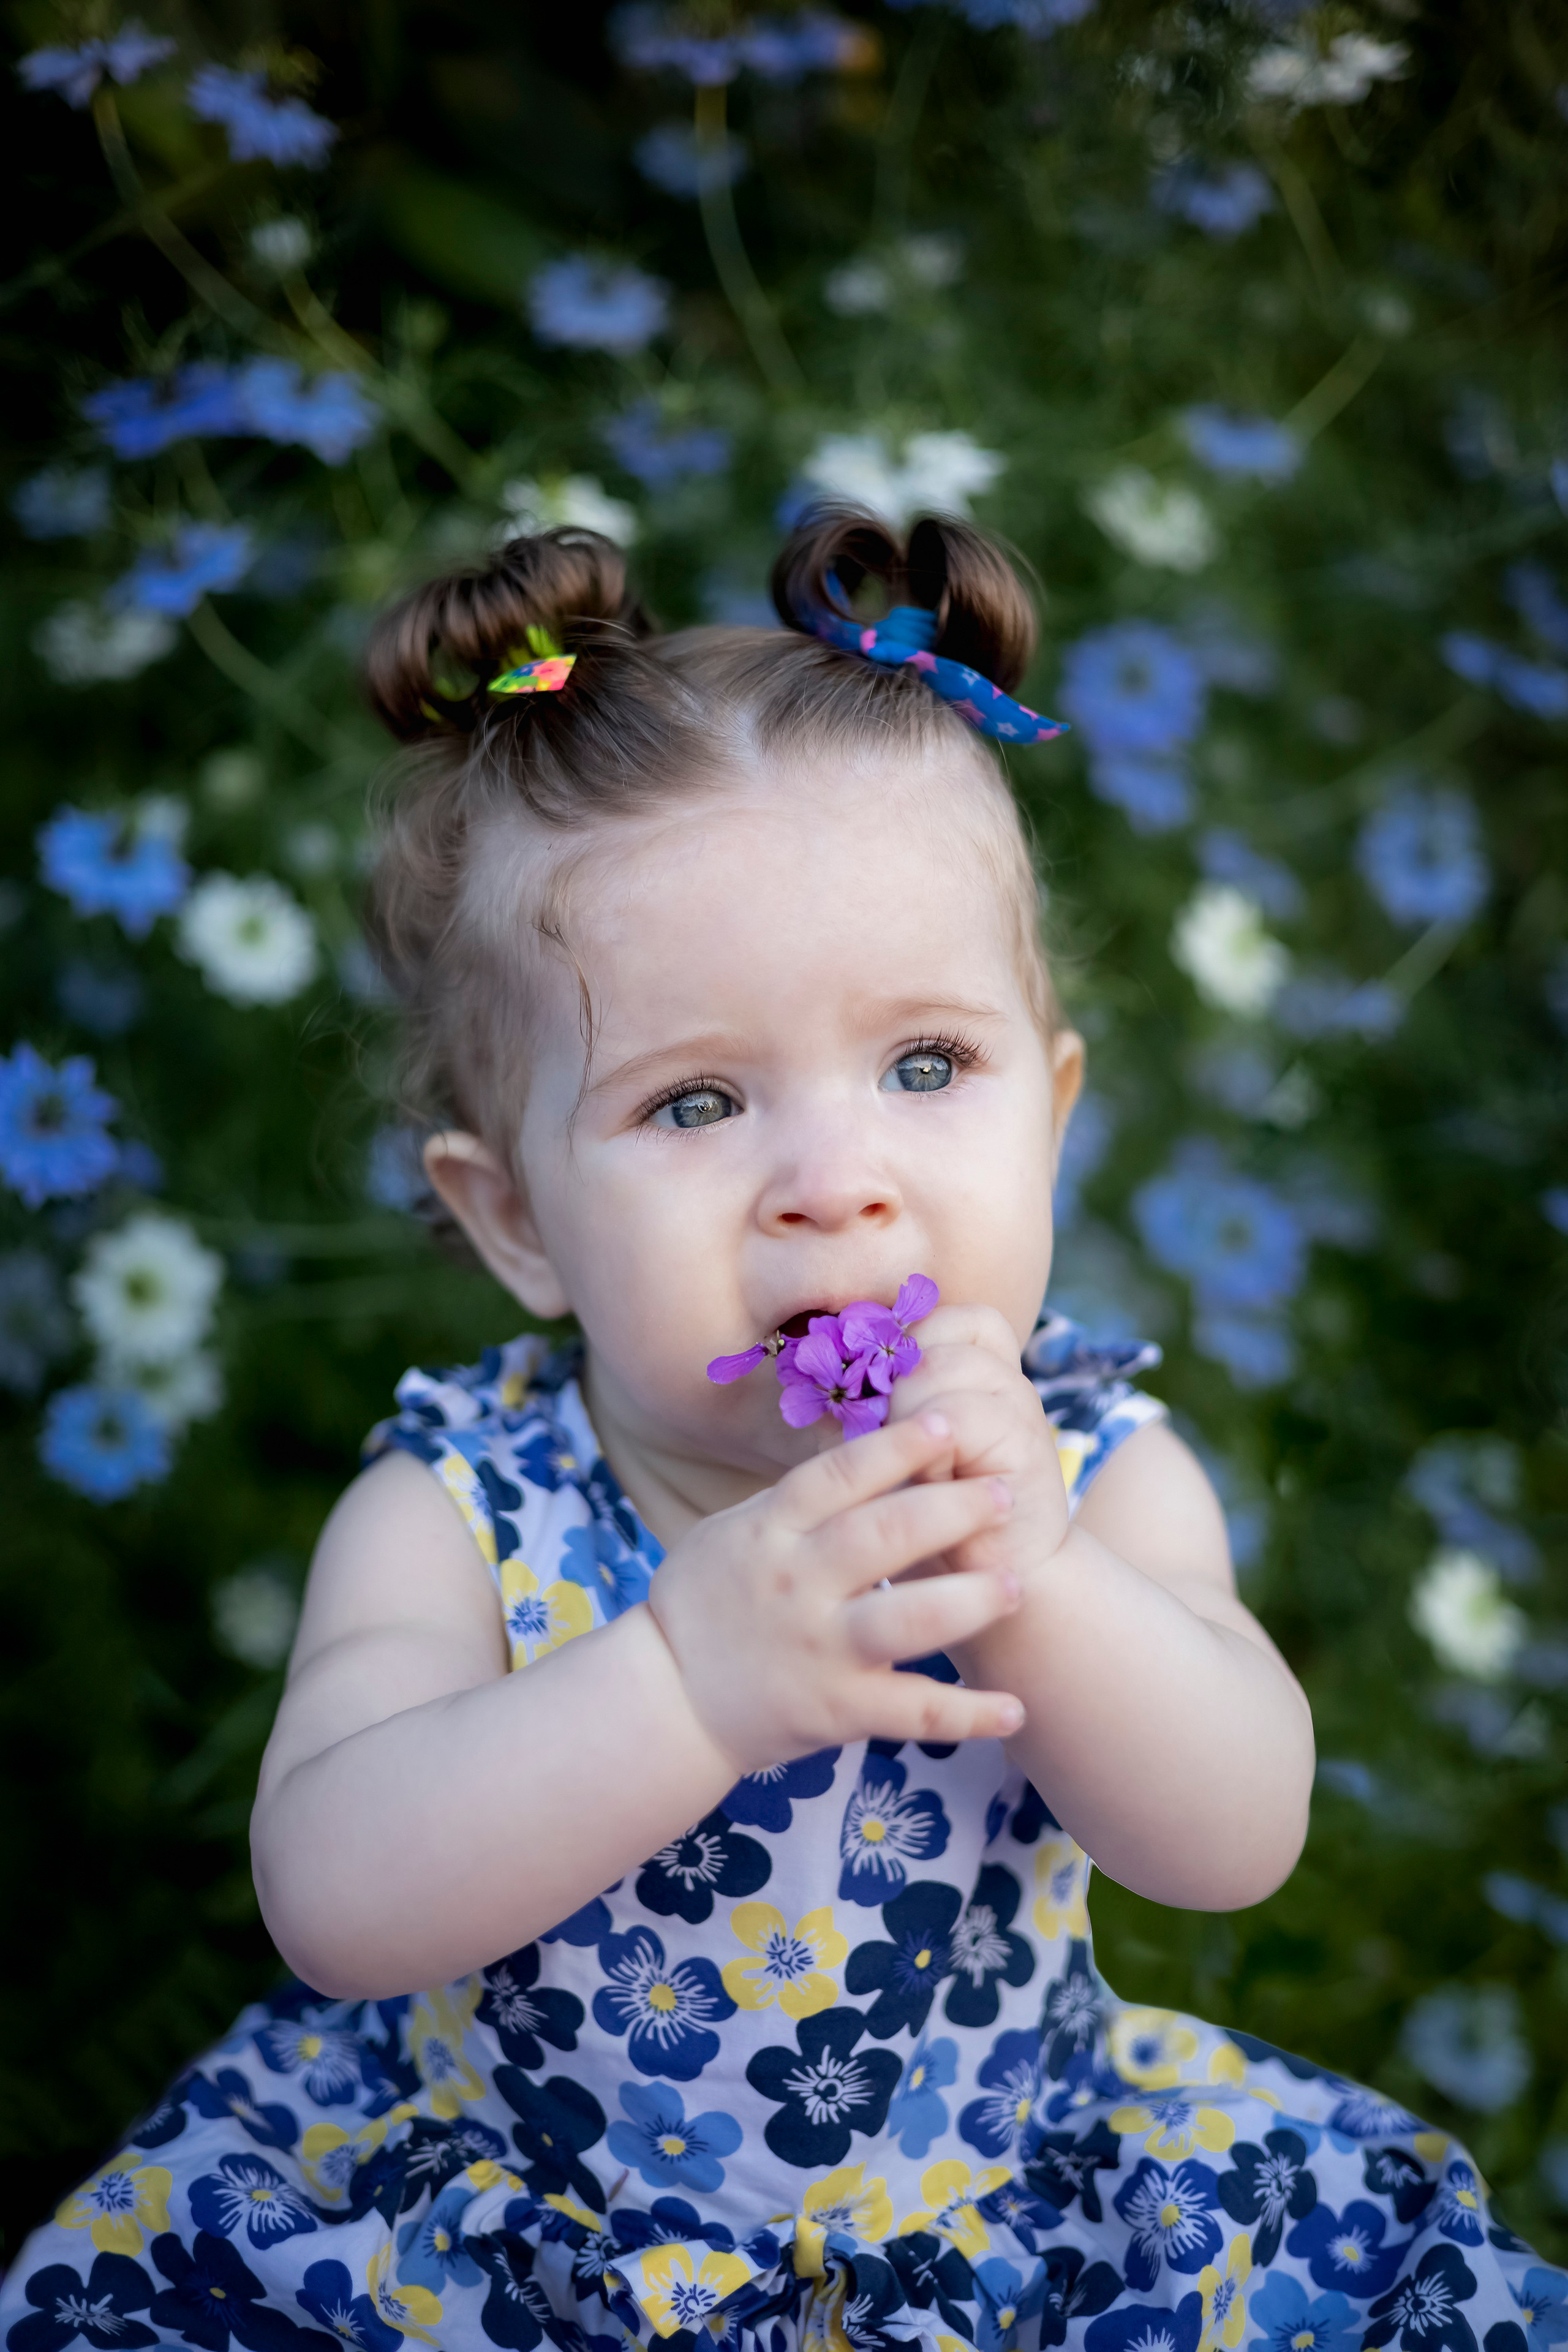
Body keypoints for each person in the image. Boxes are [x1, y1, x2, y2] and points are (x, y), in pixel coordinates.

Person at [2, 512, 1545, 2352]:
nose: (836, 1186)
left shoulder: (1096, 1466)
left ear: (1051, 1115)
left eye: (924, 1067)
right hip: (527, 2252)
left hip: (1001, 2222)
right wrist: (684, 1677)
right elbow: (334, 1896)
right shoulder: (464, 1508)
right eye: (700, 1100)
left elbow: (1233, 1833)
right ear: (514, 1223)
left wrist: (1038, 1572)